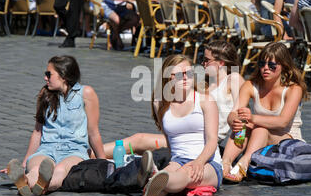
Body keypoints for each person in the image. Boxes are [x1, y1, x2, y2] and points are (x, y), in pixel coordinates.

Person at [100, 41, 245, 159]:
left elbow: (240, 120)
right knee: (139, 143)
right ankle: (95, 155)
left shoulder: (233, 79)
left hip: (202, 140)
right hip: (187, 132)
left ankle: (93, 155)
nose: (203, 64)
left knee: (139, 140)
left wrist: (229, 160)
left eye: (207, 60)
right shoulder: (204, 83)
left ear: (221, 63)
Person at [3, 55, 106, 196]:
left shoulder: (86, 93)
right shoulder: (44, 94)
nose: (45, 78)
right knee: (36, 168)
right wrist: (25, 162)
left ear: (63, 76)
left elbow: (93, 132)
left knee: (60, 170)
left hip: (74, 150)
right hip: (46, 148)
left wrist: (103, 163)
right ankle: (27, 181)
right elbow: (37, 132)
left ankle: (33, 185)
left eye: (49, 74)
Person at [140, 54, 222, 196]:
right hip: (178, 159)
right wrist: (175, 163)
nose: (185, 78)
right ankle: (156, 187)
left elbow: (212, 140)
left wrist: (199, 161)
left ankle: (154, 177)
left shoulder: (205, 100)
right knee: (169, 177)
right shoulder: (160, 103)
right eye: (179, 75)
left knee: (185, 174)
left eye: (189, 73)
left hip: (208, 161)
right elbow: (169, 139)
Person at [221, 42, 308, 183]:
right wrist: (235, 122)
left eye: (272, 65)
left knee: (259, 127)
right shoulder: (251, 85)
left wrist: (253, 118)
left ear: (284, 66)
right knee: (243, 125)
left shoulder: (293, 89)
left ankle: (244, 163)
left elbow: (283, 122)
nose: (265, 69)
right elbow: (233, 114)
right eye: (262, 64)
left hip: (287, 138)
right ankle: (225, 163)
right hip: (258, 136)